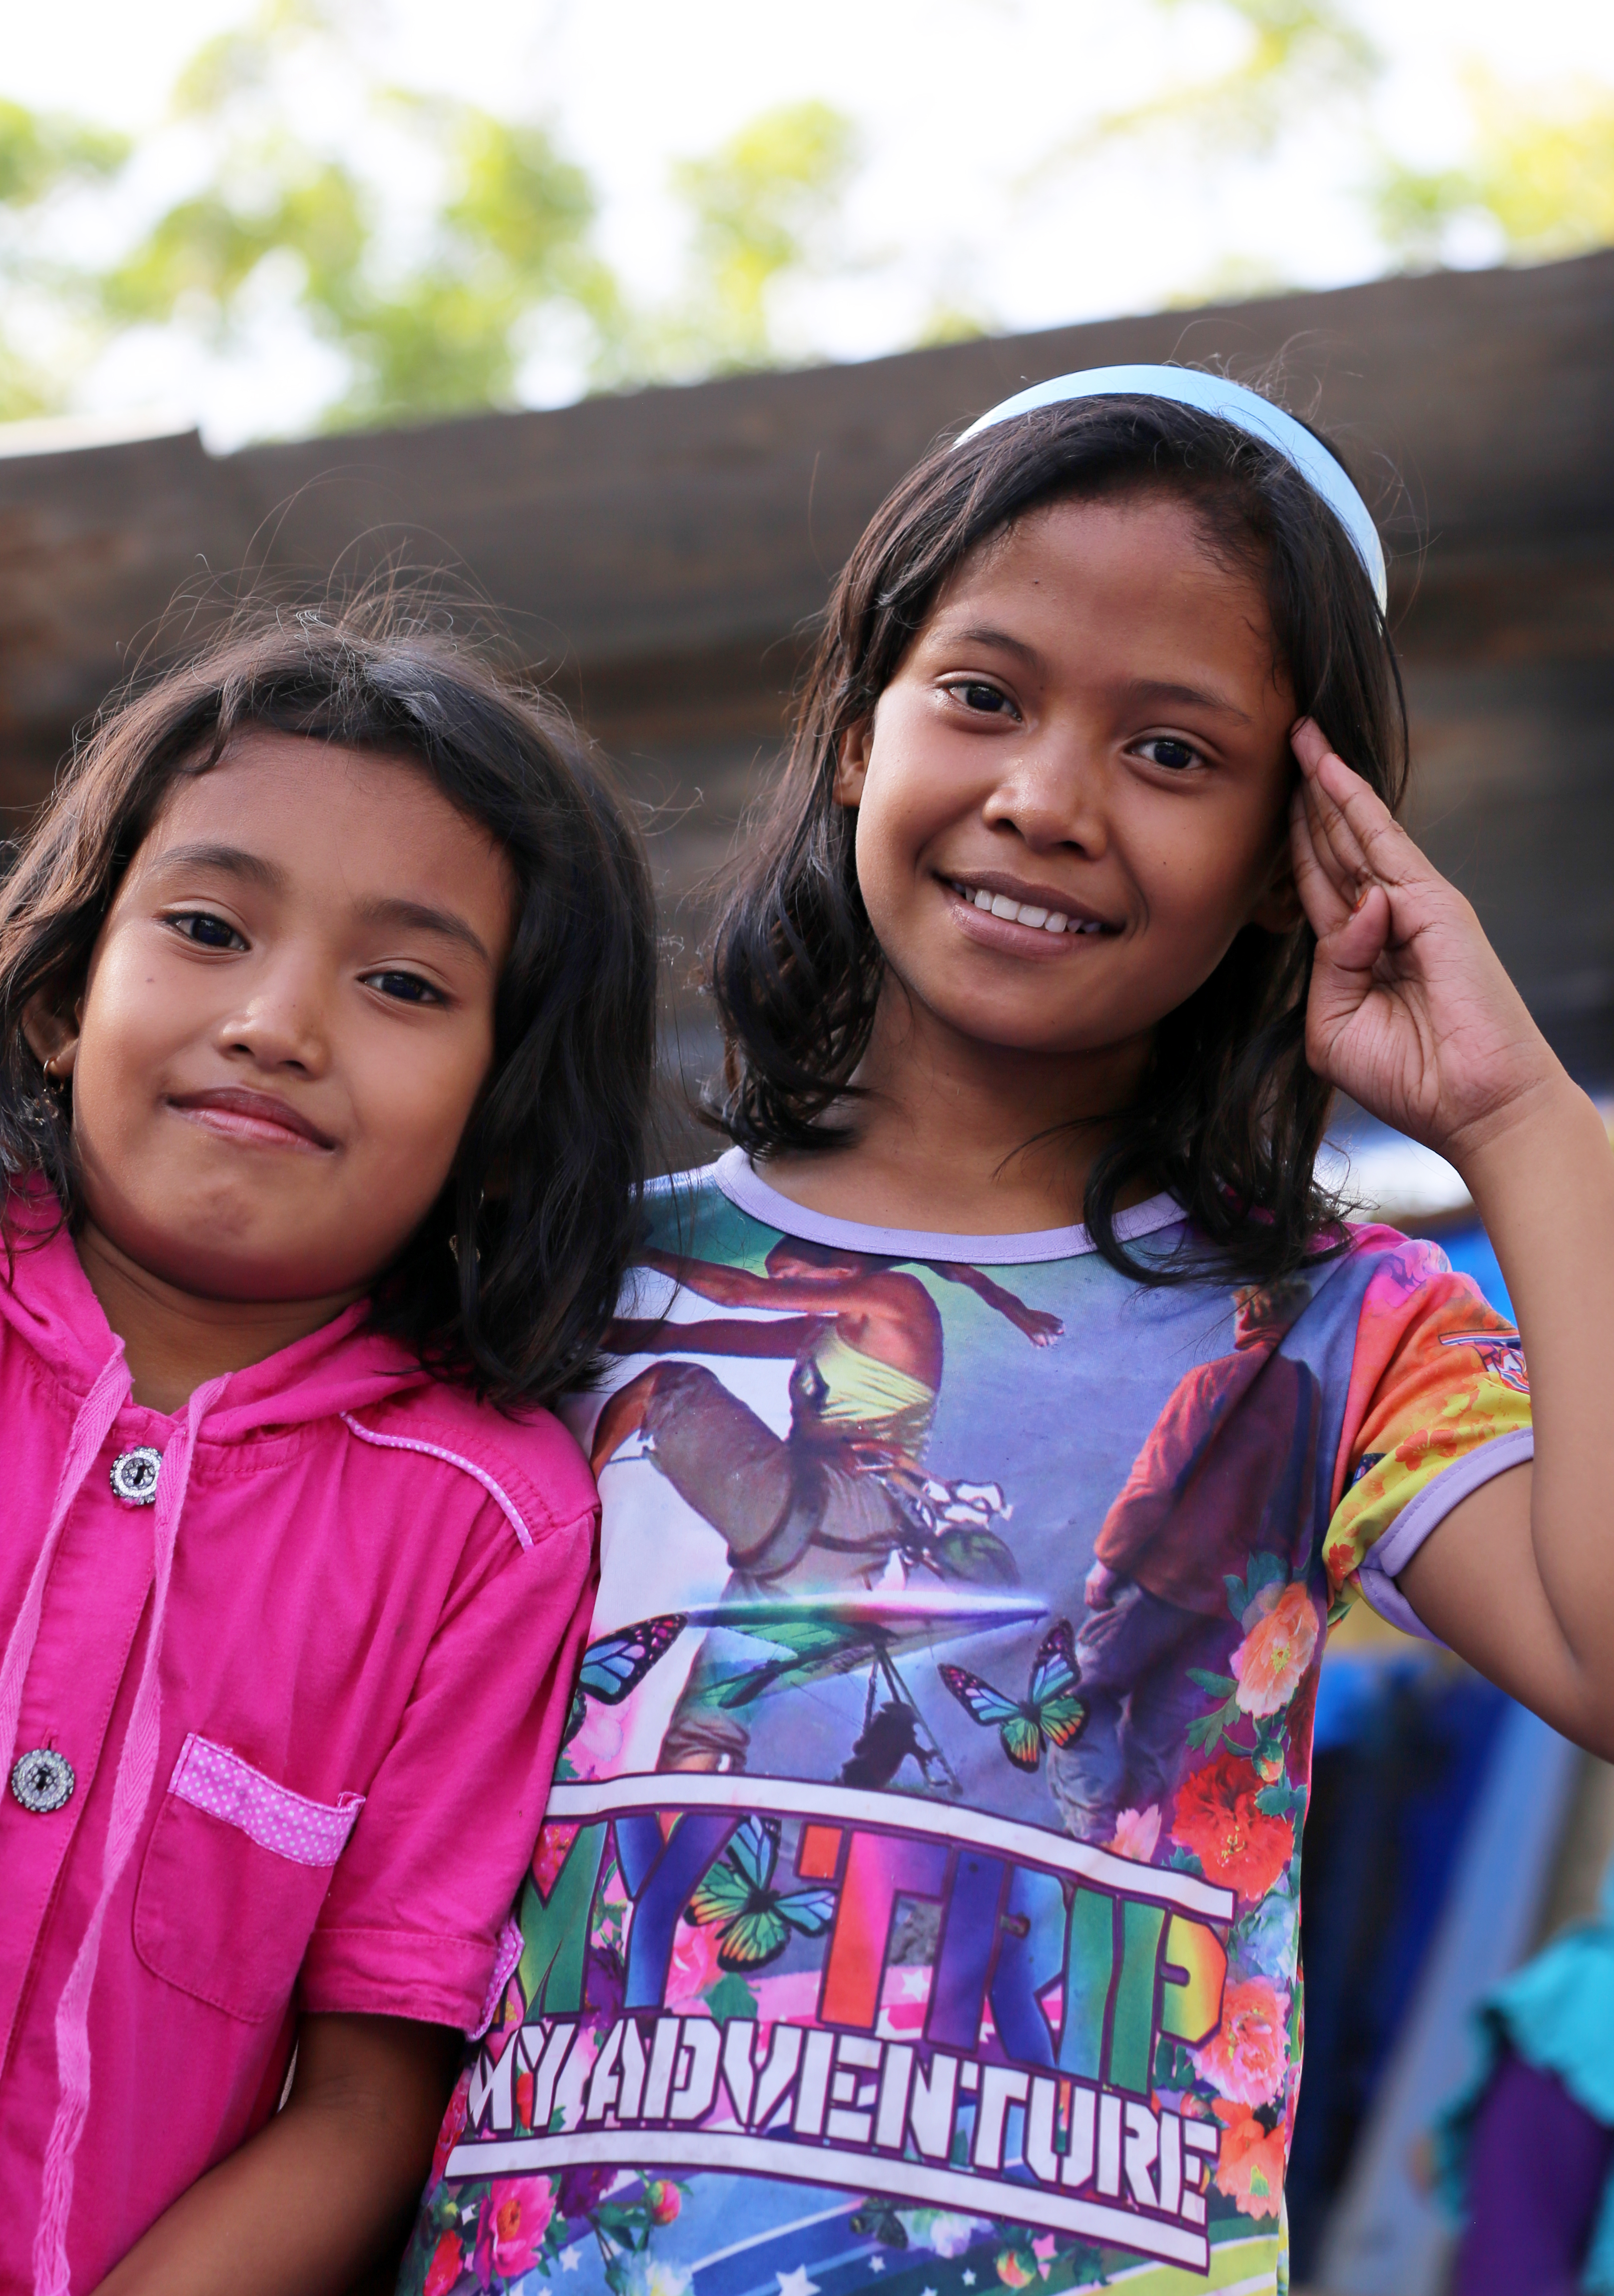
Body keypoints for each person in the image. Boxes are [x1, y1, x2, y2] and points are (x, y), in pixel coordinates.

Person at [399, 369, 1614, 2296]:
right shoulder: (559, 1281)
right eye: (984, 695)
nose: (1045, 799)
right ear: (863, 725)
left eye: (1174, 752)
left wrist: (1524, 1120)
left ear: (1299, 856)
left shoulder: (1334, 1335)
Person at [0, 606, 653, 2296]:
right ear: (67, 995)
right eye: (210, 928)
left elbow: (371, 2097)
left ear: (506, 1115)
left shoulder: (489, 1526)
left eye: (405, 983)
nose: (280, 1021)